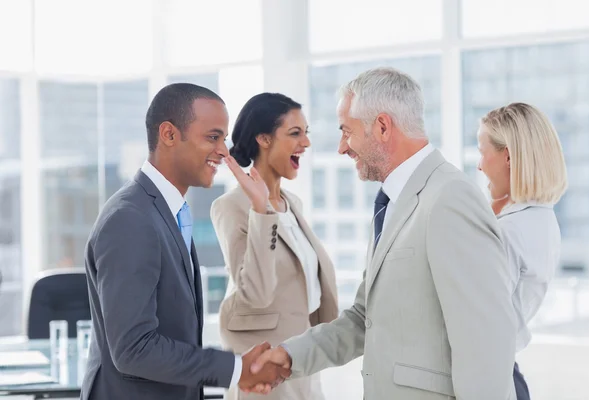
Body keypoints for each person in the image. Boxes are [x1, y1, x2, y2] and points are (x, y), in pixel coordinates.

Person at [247, 68, 518, 400]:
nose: (342, 147)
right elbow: (365, 318)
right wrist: (291, 357)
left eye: (347, 131)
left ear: (383, 127)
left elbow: (487, 340)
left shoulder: (449, 198)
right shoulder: (392, 203)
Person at [80, 83, 288, 400]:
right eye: (213, 137)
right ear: (169, 134)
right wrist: (236, 369)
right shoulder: (131, 219)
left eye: (224, 139)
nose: (224, 151)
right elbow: (134, 349)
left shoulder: (166, 212)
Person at [211, 93, 339, 400]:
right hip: (265, 370)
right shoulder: (231, 207)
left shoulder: (293, 205)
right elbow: (256, 293)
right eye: (295, 133)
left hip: (302, 362)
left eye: (306, 133)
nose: (306, 143)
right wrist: (261, 211)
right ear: (264, 139)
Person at [477, 103, 568, 400]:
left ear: (508, 157)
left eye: (482, 152)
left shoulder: (508, 231)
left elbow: (478, 323)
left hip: (489, 379)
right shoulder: (543, 218)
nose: (479, 165)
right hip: (507, 377)